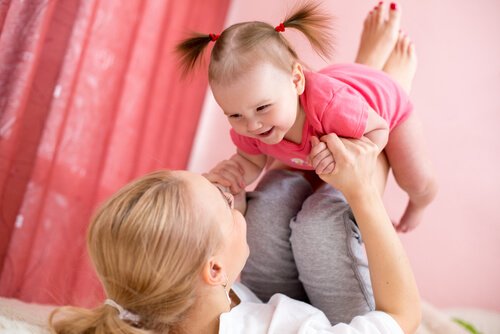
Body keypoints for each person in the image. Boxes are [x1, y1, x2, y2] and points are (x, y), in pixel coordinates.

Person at [49, 133, 421, 333]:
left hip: (257, 297)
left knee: (270, 209)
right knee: (322, 225)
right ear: (212, 270)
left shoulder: (146, 313)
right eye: (225, 205)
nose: (231, 194)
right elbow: (403, 318)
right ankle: (363, 113)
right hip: (347, 320)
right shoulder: (291, 330)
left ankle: (330, 114)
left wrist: (228, 213)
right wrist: (365, 196)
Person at [176, 1, 438, 232]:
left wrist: (353, 151)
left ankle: (421, 201)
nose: (252, 125)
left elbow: (378, 128)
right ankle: (366, 63)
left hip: (384, 104)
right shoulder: (252, 124)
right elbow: (251, 160)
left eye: (263, 107)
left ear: (297, 80)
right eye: (234, 115)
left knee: (416, 179)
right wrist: (233, 178)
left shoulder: (330, 107)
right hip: (338, 93)